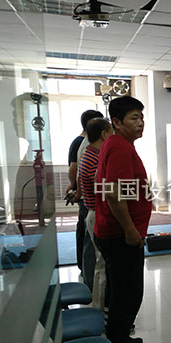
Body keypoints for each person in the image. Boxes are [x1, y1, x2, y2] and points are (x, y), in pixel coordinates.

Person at [94, 96, 154, 343]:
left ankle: (119, 339)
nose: (140, 123)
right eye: (134, 118)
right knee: (128, 294)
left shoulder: (119, 144)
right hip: (120, 234)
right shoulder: (119, 147)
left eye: (141, 117)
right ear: (117, 122)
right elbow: (114, 192)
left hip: (113, 231)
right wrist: (130, 229)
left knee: (121, 290)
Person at [78, 117, 113, 314]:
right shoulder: (95, 158)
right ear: (104, 134)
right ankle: (102, 309)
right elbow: (104, 189)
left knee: (101, 263)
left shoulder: (89, 153)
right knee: (103, 265)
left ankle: (99, 307)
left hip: (93, 213)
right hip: (97, 214)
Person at [68, 109, 103, 289]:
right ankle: (88, 279)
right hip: (89, 200)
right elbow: (75, 171)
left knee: (85, 235)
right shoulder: (85, 145)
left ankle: (85, 272)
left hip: (85, 197)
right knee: (90, 240)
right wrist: (76, 189)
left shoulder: (85, 145)